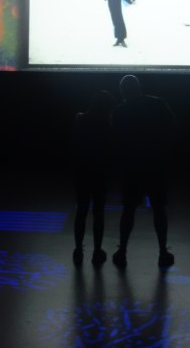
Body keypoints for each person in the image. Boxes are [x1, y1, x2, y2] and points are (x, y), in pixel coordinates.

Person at [110, 74, 179, 269]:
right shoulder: (157, 103)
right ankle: (162, 251)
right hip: (156, 164)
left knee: (128, 210)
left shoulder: (120, 111)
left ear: (123, 92)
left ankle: (122, 251)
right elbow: (173, 127)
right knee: (159, 209)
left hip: (132, 166)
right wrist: (163, 149)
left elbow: (115, 139)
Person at [72, 89, 115, 266]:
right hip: (99, 172)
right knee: (99, 212)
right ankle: (97, 250)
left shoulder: (80, 119)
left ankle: (78, 248)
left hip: (82, 171)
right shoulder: (107, 125)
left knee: (81, 210)